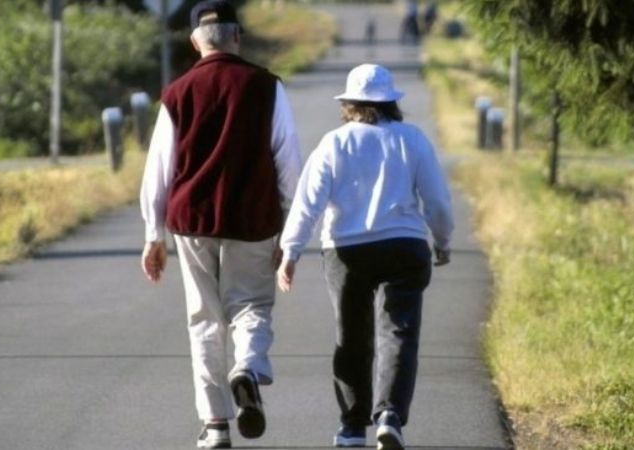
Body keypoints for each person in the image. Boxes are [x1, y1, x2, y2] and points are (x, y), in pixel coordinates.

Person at [139, 1, 303, 448]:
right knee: (251, 305)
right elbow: (288, 161)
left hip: (191, 222)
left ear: (195, 42)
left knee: (204, 319)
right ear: (237, 36)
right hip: (253, 218)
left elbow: (159, 168)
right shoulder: (267, 87)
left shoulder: (177, 93)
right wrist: (290, 231)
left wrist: (153, 234)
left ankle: (215, 426)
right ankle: (247, 366)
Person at [276, 64, 453, 450]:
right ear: (392, 103)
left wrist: (290, 251)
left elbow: (308, 202)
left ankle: (353, 427)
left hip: (346, 250)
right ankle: (389, 415)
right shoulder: (412, 139)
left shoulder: (334, 143)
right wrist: (442, 240)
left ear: (349, 104)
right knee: (399, 333)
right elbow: (436, 200)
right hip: (405, 245)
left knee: (351, 337)